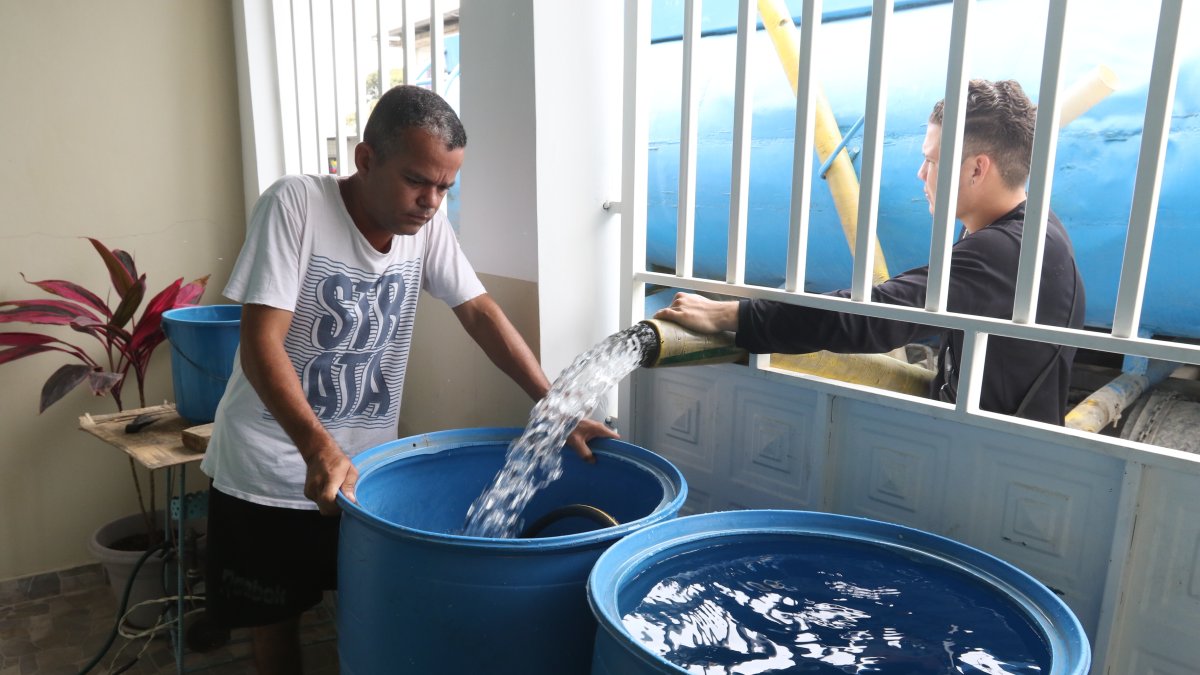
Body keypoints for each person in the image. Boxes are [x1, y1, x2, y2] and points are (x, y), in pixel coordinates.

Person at [200, 85, 616, 674]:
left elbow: (479, 311)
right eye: (418, 180)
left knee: (370, 616)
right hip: (269, 468)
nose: (431, 201)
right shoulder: (296, 205)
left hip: (368, 476)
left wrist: (555, 406)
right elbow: (259, 342)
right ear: (365, 159)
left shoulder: (425, 230)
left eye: (446, 187)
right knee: (276, 630)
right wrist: (316, 445)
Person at [655, 79, 1085, 424]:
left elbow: (875, 314)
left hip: (995, 455)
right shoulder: (1037, 228)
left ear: (977, 168)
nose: (921, 173)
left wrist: (733, 314)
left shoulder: (1004, 251)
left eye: (932, 160)